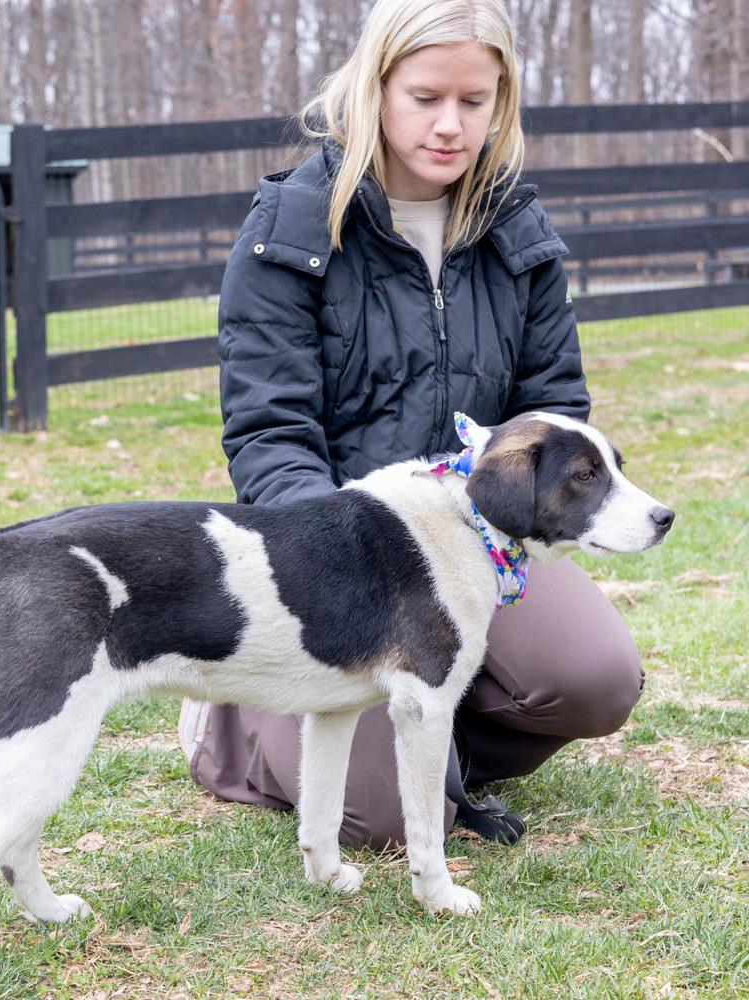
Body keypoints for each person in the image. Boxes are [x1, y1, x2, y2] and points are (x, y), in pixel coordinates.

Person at [179, 0, 644, 849]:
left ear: (502, 101)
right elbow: (269, 432)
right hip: (339, 550)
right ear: (375, 85)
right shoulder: (291, 231)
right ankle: (233, 731)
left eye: (476, 101)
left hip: (479, 539)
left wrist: (514, 531)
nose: (450, 124)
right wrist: (336, 556)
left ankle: (433, 726)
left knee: (596, 680)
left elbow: (552, 408)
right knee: (376, 820)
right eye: (426, 96)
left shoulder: (515, 228)